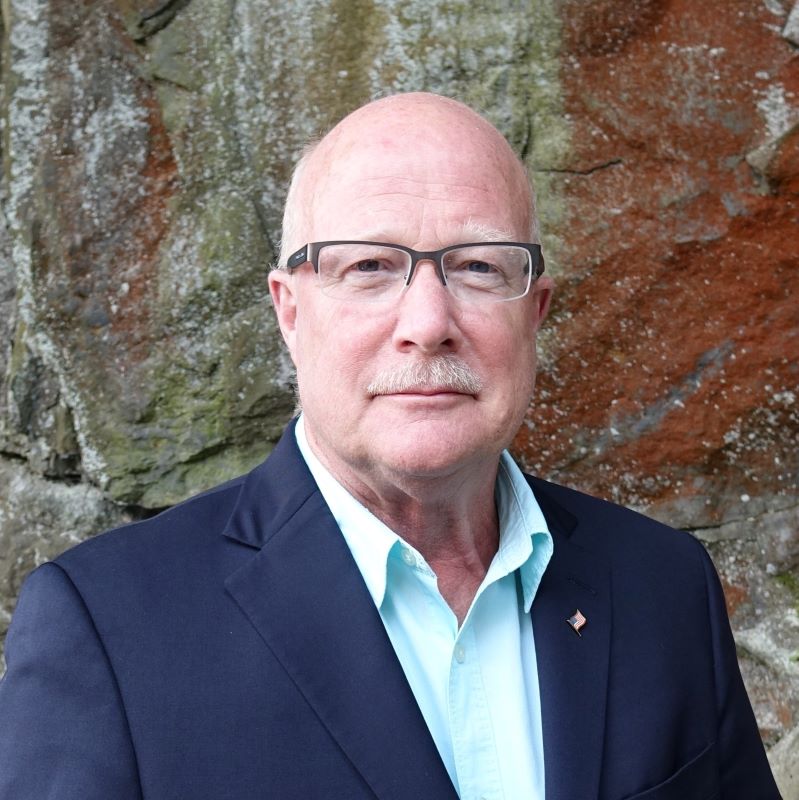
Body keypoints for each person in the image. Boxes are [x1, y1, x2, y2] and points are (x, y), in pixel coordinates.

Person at [0, 93, 780, 799]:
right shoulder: (109, 628)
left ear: (535, 312)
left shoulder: (662, 586)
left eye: (478, 267)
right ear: (289, 311)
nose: (428, 322)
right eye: (370, 266)